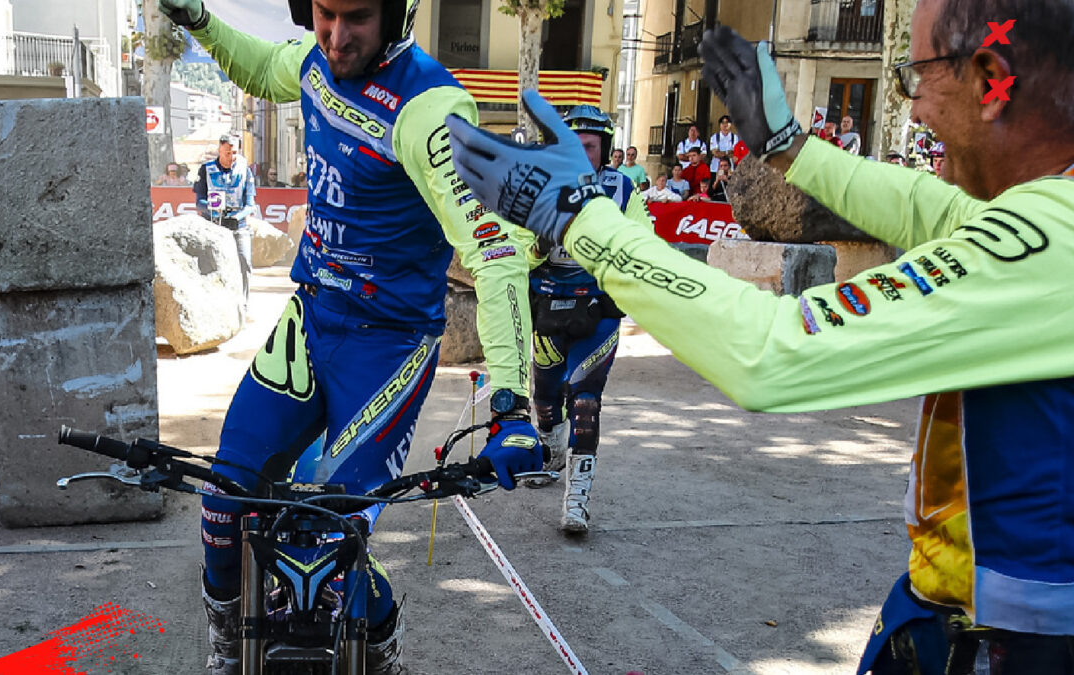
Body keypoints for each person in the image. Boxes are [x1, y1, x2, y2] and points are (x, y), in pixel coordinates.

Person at [442, 0, 1074, 670]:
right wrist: (786, 146)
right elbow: (929, 208)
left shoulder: (1052, 243)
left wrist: (578, 218)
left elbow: (774, 351)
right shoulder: (1043, 208)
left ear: (990, 79)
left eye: (915, 77)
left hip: (1015, 645)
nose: (912, 111)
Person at [158, 0, 543, 673]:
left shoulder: (431, 110)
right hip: (312, 320)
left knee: (325, 536)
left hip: (390, 343)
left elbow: (496, 252)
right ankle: (227, 634)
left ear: (396, 12)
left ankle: (380, 634)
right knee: (225, 496)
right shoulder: (312, 62)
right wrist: (199, 21)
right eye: (324, 14)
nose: (337, 36)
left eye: (357, 17)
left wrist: (511, 404)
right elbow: (260, 67)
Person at [522, 104, 649, 535]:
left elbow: (642, 246)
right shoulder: (538, 187)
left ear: (605, 150)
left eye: (590, 147)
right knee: (545, 399)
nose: (581, 153)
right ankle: (552, 453)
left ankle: (576, 501)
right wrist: (539, 243)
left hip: (596, 310)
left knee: (585, 403)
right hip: (547, 308)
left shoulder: (623, 191)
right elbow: (514, 253)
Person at [194, 134, 256, 313]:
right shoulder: (206, 169)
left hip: (239, 226)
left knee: (244, 264)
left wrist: (237, 217)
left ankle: (243, 306)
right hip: (213, 225)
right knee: (207, 265)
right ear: (219, 150)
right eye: (227, 153)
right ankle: (210, 304)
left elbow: (250, 204)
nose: (231, 157)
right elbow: (199, 202)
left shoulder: (245, 169)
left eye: (234, 152)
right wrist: (214, 209)